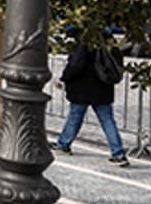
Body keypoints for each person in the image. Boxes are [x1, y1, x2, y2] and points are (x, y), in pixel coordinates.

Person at [53, 38, 129, 166]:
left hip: (83, 87)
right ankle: (118, 153)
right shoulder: (109, 40)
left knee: (75, 116)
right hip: (103, 87)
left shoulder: (86, 40)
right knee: (107, 120)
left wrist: (64, 78)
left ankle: (63, 144)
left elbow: (76, 65)